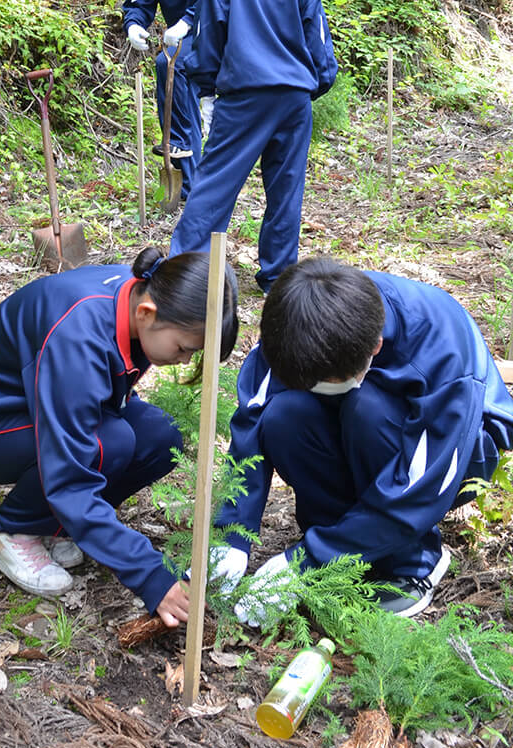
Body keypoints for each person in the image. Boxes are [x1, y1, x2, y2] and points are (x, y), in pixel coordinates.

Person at [0, 248, 240, 625]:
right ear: (147, 314)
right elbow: (70, 475)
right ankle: (11, 528)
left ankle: (56, 525)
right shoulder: (78, 336)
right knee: (109, 443)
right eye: (184, 349)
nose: (185, 361)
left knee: (161, 437)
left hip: (38, 401)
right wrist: (150, 575)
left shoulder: (142, 294)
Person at [212, 257, 513, 623]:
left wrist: (304, 562)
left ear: (374, 348)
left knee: (364, 407)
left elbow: (426, 479)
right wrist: (232, 535)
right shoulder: (296, 321)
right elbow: (252, 422)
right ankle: (344, 543)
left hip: (456, 452)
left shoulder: (439, 347)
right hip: (364, 422)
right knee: (283, 416)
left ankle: (413, 561)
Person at [169, 0, 338, 292]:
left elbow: (206, 46)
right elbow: (324, 59)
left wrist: (210, 88)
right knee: (285, 188)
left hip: (243, 98)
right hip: (293, 101)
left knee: (215, 184)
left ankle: (183, 272)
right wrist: (303, 91)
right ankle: (277, 278)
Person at [122, 0, 219, 200]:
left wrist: (187, 22)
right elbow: (139, 1)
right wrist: (134, 25)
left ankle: (199, 174)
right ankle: (186, 177)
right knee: (168, 73)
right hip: (182, 43)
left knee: (170, 67)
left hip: (212, 35)